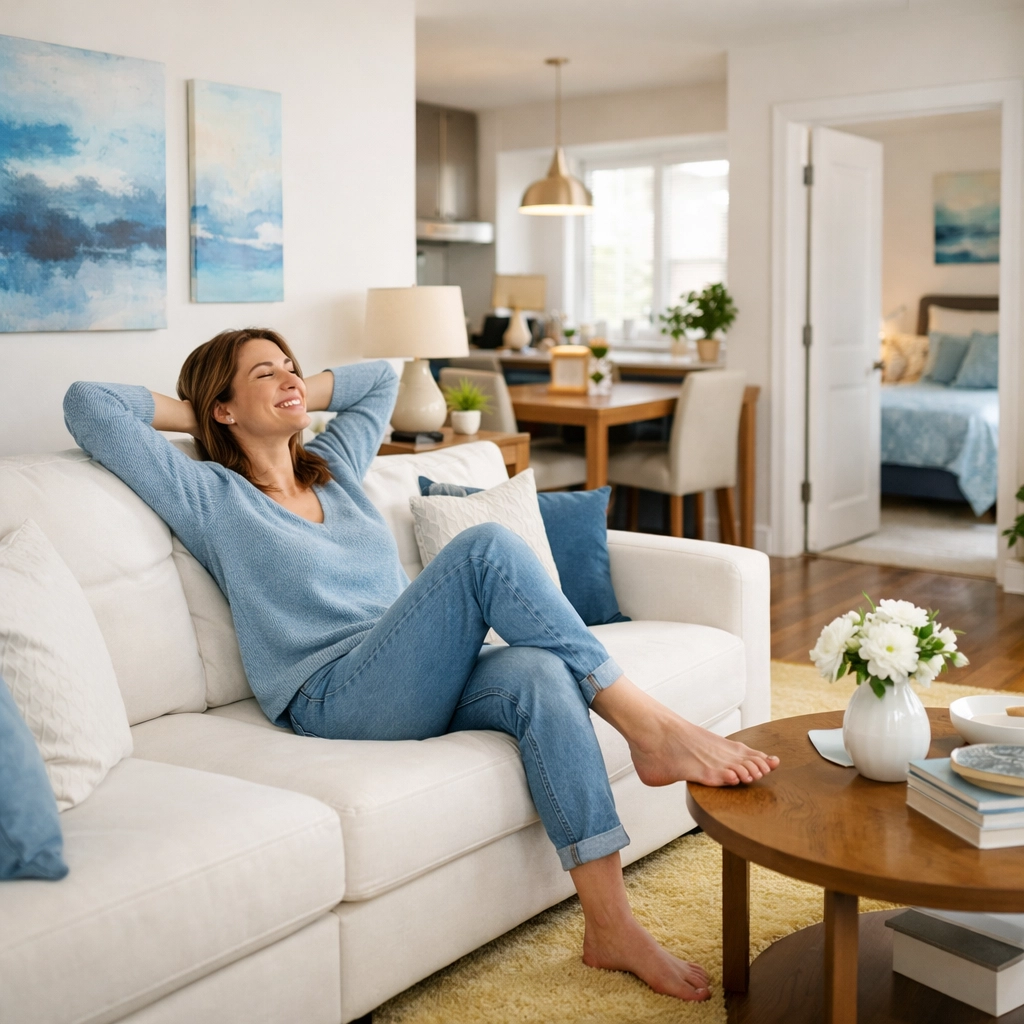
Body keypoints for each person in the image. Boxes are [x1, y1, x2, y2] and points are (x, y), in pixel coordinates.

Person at [64, 327, 778, 1003]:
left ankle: (610, 924)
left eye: (293, 366)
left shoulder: (335, 467)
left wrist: (279, 390)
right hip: (335, 694)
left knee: (537, 671)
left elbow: (383, 381)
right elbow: (88, 404)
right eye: (265, 373)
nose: (290, 378)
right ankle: (648, 725)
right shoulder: (209, 495)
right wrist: (201, 410)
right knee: (485, 548)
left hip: (413, 669)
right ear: (222, 407)